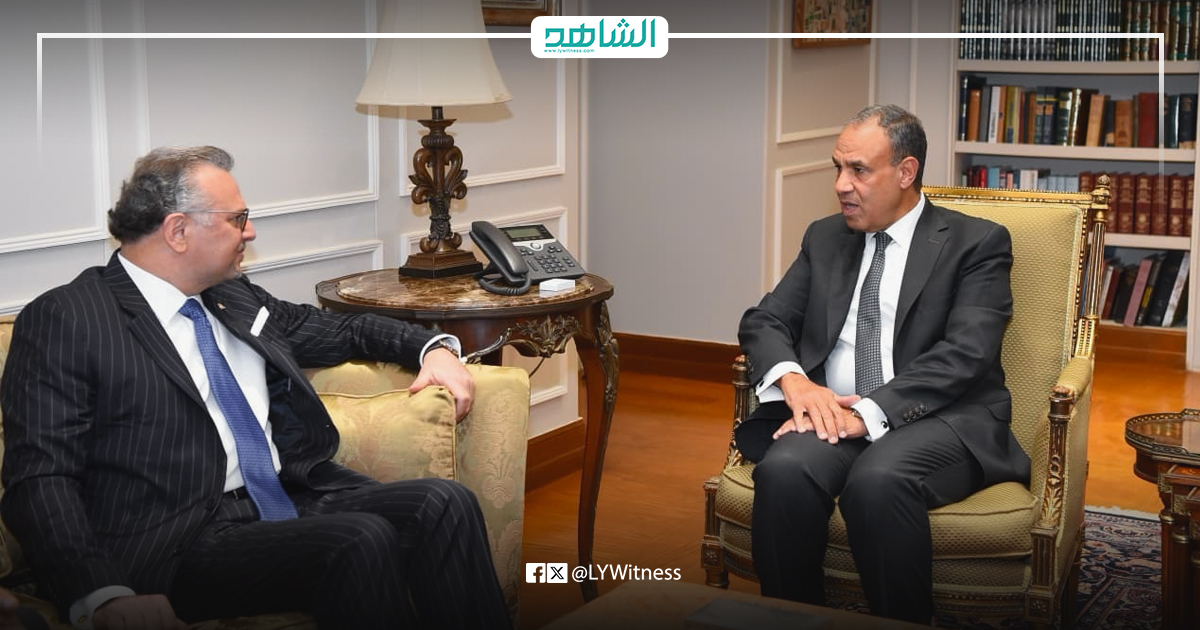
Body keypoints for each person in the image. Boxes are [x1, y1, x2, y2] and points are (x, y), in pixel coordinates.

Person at [0, 146, 511, 630]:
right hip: (173, 541)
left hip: (281, 499)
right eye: (237, 219)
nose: (250, 231)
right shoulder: (68, 318)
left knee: (443, 503)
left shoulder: (231, 296)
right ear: (178, 230)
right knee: (357, 538)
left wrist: (432, 348)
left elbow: (339, 329)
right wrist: (101, 592)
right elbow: (40, 476)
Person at [734, 104, 1030, 624]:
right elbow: (765, 320)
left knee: (878, 481)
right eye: (838, 168)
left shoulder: (977, 243)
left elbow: (967, 353)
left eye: (859, 170)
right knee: (784, 471)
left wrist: (868, 413)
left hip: (940, 418)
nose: (841, 186)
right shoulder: (826, 237)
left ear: (906, 171)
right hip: (832, 413)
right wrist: (797, 383)